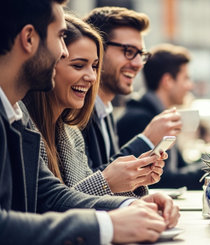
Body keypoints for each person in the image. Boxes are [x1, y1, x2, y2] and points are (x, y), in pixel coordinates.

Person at [0, 0, 179, 244]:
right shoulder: (22, 117)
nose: (63, 51)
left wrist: (129, 204)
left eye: (95, 65)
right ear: (29, 38)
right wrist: (107, 223)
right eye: (60, 37)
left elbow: (50, 196)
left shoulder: (19, 117)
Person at [23, 14, 164, 197]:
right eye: (79, 65)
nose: (92, 77)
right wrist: (107, 181)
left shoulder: (70, 133)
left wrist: (135, 180)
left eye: (95, 66)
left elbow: (84, 198)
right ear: (48, 64)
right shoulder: (23, 129)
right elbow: (48, 208)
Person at [82, 7, 181, 172]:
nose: (137, 64)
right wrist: (147, 139)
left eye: (141, 54)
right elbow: (84, 185)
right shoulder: (75, 113)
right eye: (128, 51)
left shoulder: (105, 111)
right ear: (97, 49)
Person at [117, 43, 205, 189]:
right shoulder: (140, 120)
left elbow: (180, 169)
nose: (190, 86)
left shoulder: (158, 116)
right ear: (168, 81)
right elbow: (159, 181)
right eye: (186, 78)